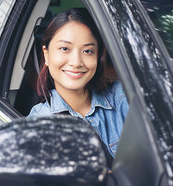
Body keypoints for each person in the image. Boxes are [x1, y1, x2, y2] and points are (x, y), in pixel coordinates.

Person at [28, 8, 128, 158]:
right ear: (46, 54)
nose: (76, 62)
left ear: (98, 57)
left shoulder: (122, 97)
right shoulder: (40, 123)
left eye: (87, 51)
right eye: (65, 49)